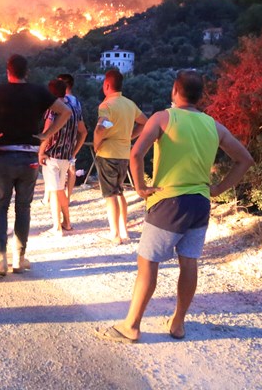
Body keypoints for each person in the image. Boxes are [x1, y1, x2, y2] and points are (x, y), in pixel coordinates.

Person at [106, 70, 253, 343]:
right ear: (201, 96)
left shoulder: (163, 118)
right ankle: (178, 323)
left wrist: (139, 187)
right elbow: (244, 159)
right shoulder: (214, 125)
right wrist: (219, 188)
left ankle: (132, 326)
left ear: (175, 90)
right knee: (189, 262)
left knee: (148, 263)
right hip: (200, 203)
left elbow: (136, 153)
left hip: (168, 202)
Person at [0, 54, 71, 277]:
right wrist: (46, 134)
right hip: (30, 159)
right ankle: (19, 258)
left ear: (8, 71)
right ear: (27, 72)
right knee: (23, 207)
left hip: (4, 157)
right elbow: (66, 112)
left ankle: (0, 257)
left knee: (1, 206)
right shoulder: (39, 92)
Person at [93, 68, 147, 244]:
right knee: (119, 191)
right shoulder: (130, 104)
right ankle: (124, 231)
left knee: (110, 195)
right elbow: (144, 122)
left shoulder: (106, 105)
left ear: (107, 85)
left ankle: (115, 234)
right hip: (124, 153)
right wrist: (129, 136)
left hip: (108, 153)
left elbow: (102, 127)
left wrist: (96, 143)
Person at [38, 79, 85, 237]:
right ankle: (67, 223)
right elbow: (83, 132)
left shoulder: (53, 109)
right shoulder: (74, 107)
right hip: (66, 156)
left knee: (55, 191)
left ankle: (57, 227)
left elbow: (47, 132)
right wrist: (74, 152)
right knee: (60, 191)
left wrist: (40, 152)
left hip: (52, 155)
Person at [57, 72, 85, 198]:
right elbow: (82, 127)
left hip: (60, 140)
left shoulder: (61, 100)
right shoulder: (77, 102)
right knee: (71, 168)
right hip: (72, 139)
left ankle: (59, 198)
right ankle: (68, 197)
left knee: (59, 171)